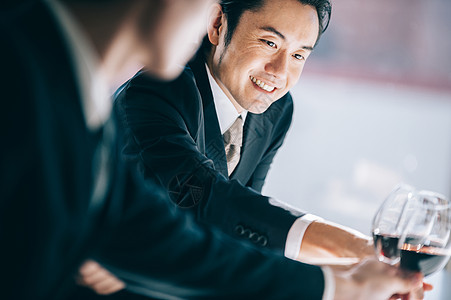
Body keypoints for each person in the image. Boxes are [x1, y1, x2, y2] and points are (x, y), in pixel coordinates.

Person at [0, 0, 426, 299]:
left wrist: (341, 283)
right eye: (270, 43)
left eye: (299, 54)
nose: (282, 72)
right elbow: (199, 201)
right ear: (217, 23)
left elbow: (147, 232)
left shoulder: (67, 89)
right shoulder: (36, 83)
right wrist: (346, 264)